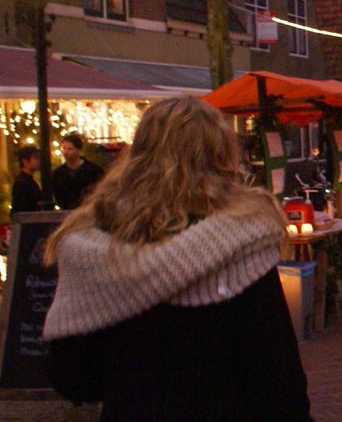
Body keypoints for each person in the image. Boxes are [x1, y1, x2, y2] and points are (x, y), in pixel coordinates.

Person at [42, 97, 311, 420]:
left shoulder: (90, 248)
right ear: (220, 156)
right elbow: (277, 379)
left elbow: (73, 379)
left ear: (138, 152)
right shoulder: (242, 242)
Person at [51, 133, 104, 210]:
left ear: (78, 150)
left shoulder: (94, 170)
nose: (65, 152)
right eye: (64, 148)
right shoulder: (58, 173)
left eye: (70, 149)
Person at [12, 145, 42, 213]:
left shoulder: (29, 180)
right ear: (25, 161)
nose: (39, 161)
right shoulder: (22, 183)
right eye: (35, 158)